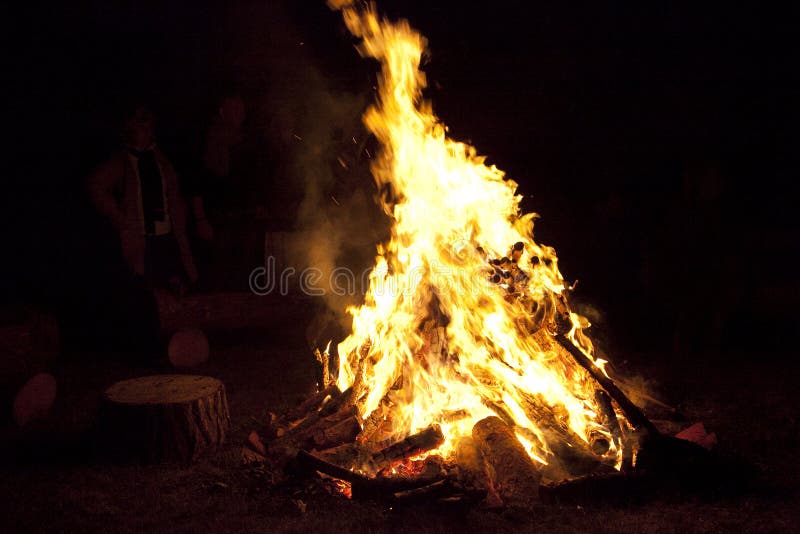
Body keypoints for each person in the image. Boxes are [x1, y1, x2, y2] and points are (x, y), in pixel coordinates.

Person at [88, 104, 198, 293]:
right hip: (141, 240)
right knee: (144, 289)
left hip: (167, 236)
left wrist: (181, 215)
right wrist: (120, 218)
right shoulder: (122, 161)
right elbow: (95, 185)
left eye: (149, 127)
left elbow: (175, 192)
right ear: (131, 129)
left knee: (179, 287)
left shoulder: (161, 159)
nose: (147, 131)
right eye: (141, 126)